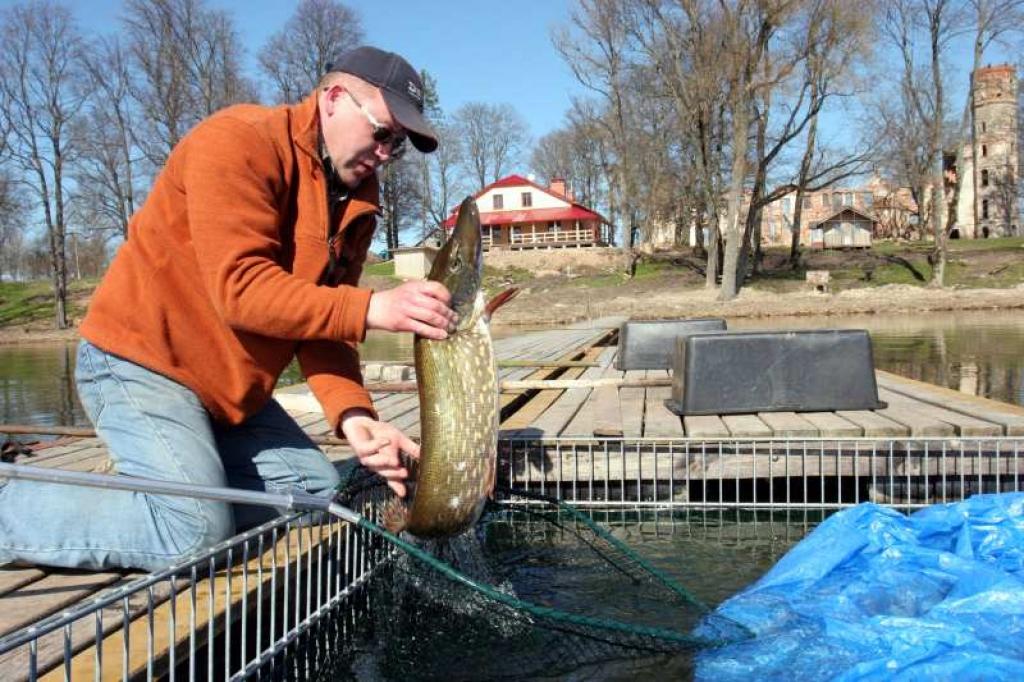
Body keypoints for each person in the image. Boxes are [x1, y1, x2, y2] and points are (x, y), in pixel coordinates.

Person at [0, 46, 453, 572]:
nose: (384, 153)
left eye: (397, 146)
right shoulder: (238, 141)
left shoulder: (356, 204)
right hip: (141, 364)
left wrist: (355, 417)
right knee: (191, 534)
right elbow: (242, 290)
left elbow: (323, 328)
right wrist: (374, 307)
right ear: (333, 99)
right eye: (382, 132)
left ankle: (166, 491)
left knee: (314, 491)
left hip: (229, 395)